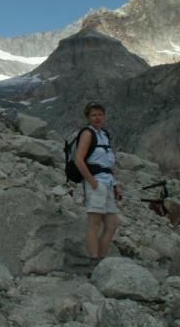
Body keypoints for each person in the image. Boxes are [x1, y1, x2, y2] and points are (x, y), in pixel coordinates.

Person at [74, 101, 122, 262]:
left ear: (104, 116)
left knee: (111, 224)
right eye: (93, 115)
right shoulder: (88, 133)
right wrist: (92, 182)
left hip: (108, 182)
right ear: (88, 117)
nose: (97, 118)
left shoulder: (104, 134)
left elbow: (108, 163)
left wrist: (115, 184)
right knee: (94, 224)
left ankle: (101, 259)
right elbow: (79, 160)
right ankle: (94, 260)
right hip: (96, 183)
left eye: (100, 114)